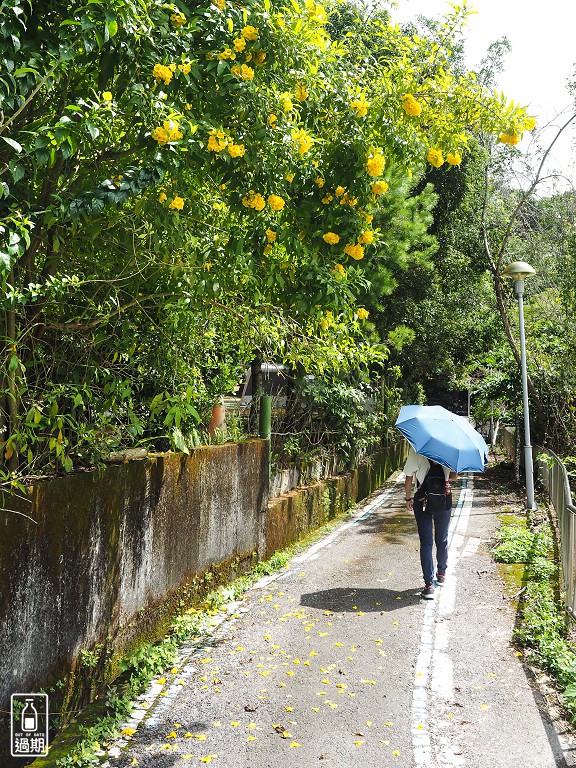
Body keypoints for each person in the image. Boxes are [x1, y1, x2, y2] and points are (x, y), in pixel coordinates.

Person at [403, 445, 458, 599]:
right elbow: (453, 477)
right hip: (443, 499)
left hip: (422, 500)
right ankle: (441, 574)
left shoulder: (416, 450)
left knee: (426, 542)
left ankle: (428, 585)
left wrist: (408, 498)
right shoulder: (450, 449)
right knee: (442, 539)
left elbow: (408, 476)